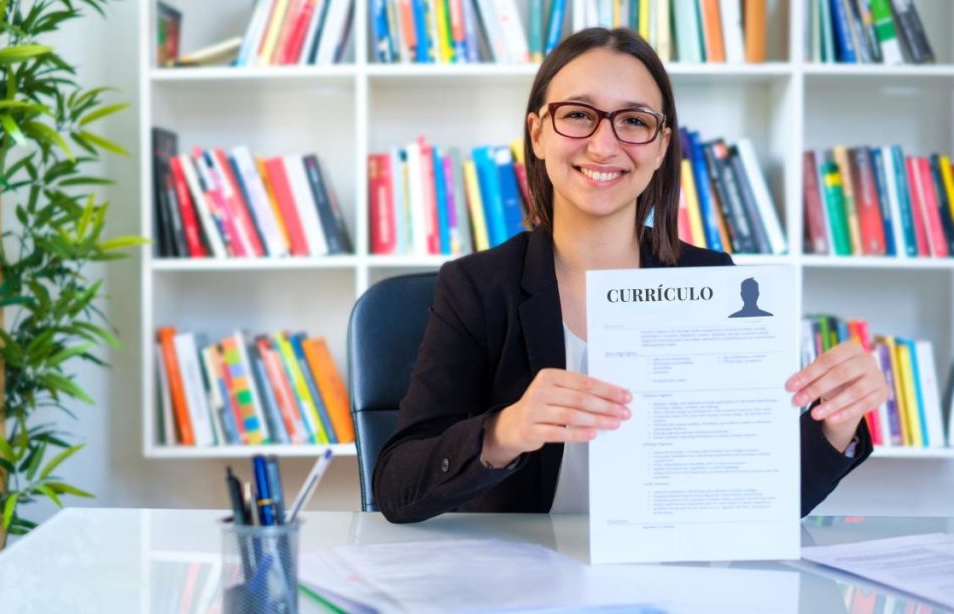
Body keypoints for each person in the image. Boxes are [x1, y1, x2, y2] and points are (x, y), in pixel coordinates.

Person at [372, 28, 887, 524]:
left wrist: (837, 419)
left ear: (661, 146)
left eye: (634, 121)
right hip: (523, 572)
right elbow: (397, 487)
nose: (604, 145)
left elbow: (758, 499)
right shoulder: (477, 287)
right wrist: (505, 431)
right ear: (538, 134)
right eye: (578, 115)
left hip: (665, 569)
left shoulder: (714, 283)